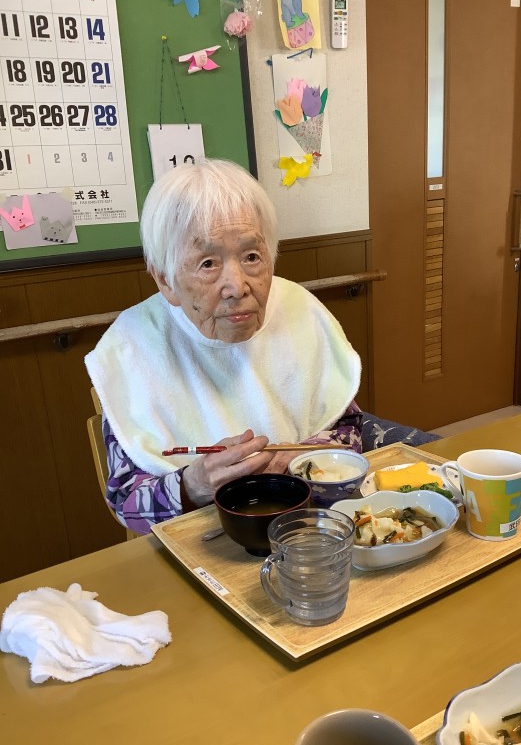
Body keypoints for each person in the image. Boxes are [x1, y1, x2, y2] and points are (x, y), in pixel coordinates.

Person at [85, 159, 364, 534]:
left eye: (251, 257)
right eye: (207, 263)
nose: (237, 286)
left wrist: (308, 456)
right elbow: (127, 505)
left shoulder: (300, 311)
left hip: (309, 529)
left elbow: (349, 428)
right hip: (202, 543)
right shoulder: (133, 347)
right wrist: (193, 484)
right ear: (165, 280)